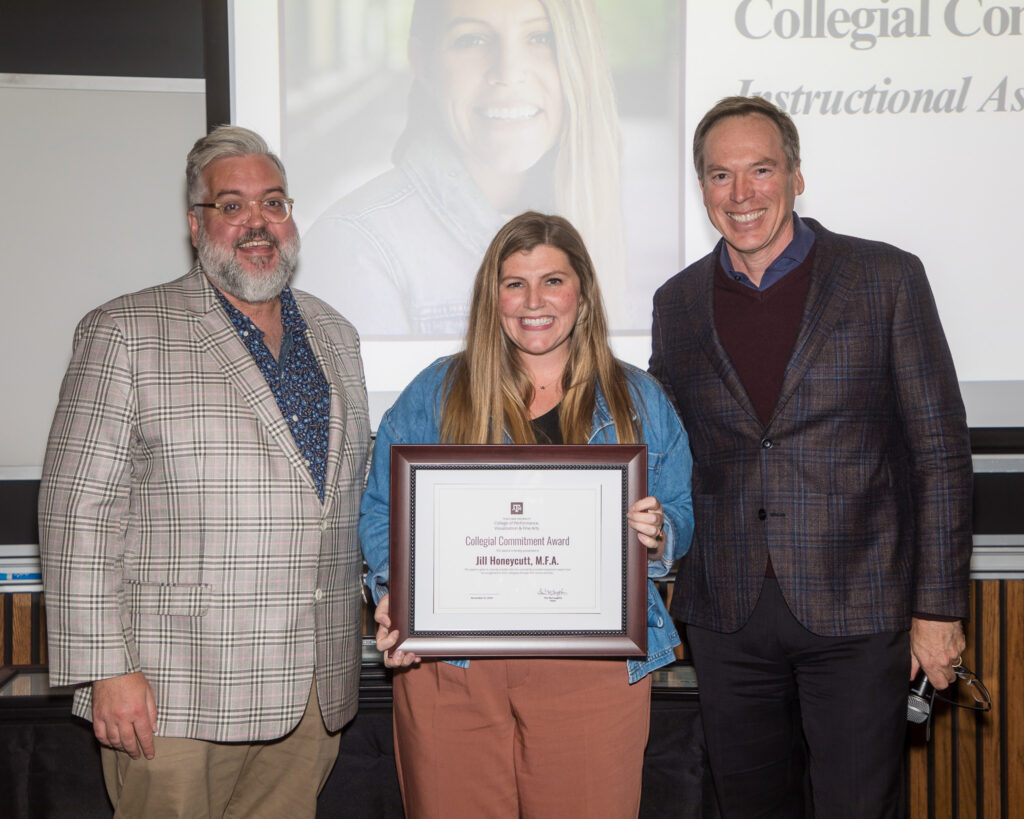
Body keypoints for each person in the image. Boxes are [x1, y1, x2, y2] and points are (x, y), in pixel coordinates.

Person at [650, 96, 973, 817]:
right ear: (702, 187)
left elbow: (941, 454)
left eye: (761, 170)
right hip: (727, 616)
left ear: (797, 175)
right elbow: (667, 448)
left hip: (859, 609)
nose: (742, 194)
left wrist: (939, 607)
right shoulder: (676, 304)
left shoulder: (885, 278)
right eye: (720, 175)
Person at [38, 125, 371, 818]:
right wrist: (105, 668)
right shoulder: (125, 330)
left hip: (311, 690)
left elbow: (341, 499)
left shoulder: (336, 333)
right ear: (197, 224)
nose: (257, 222)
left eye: (273, 203)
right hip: (175, 690)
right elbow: (76, 512)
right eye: (232, 205)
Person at [360, 211, 694, 817]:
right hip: (450, 664)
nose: (533, 301)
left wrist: (658, 530)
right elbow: (383, 510)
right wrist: (398, 593)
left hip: (593, 665)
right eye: (514, 283)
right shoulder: (437, 392)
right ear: (493, 298)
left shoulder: (638, 397)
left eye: (553, 281)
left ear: (584, 295)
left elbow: (680, 508)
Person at [300, 0, 627, 336]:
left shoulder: (599, 221)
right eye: (473, 39)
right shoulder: (355, 250)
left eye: (541, 38)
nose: (509, 73)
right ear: (424, 63)